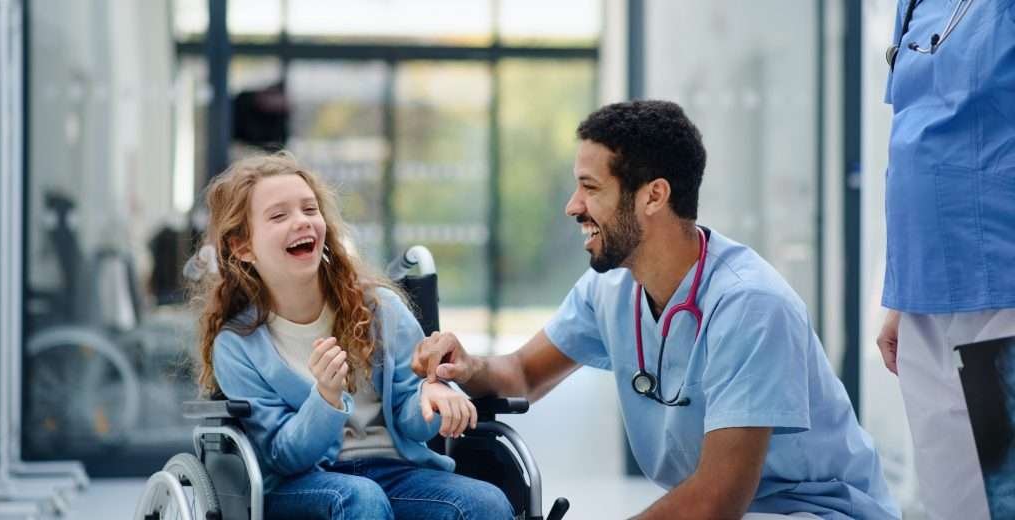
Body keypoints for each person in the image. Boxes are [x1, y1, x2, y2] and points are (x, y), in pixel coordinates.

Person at [413, 100, 899, 519]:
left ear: (653, 196)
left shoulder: (749, 304)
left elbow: (717, 500)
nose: (572, 206)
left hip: (814, 510)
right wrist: (468, 365)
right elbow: (522, 373)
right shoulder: (611, 289)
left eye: (591, 187)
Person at [194, 153, 512, 519]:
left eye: (310, 210)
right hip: (303, 483)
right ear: (242, 246)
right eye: (279, 215)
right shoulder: (238, 345)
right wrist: (325, 399)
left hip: (394, 472)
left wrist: (433, 395)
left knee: (484, 504)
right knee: (360, 499)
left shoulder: (381, 309)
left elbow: (412, 420)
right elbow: (283, 454)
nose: (302, 222)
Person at [877, 1, 1015, 518]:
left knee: (1005, 494)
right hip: (924, 285)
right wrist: (898, 294)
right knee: (951, 499)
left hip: (999, 279)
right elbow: (912, 142)